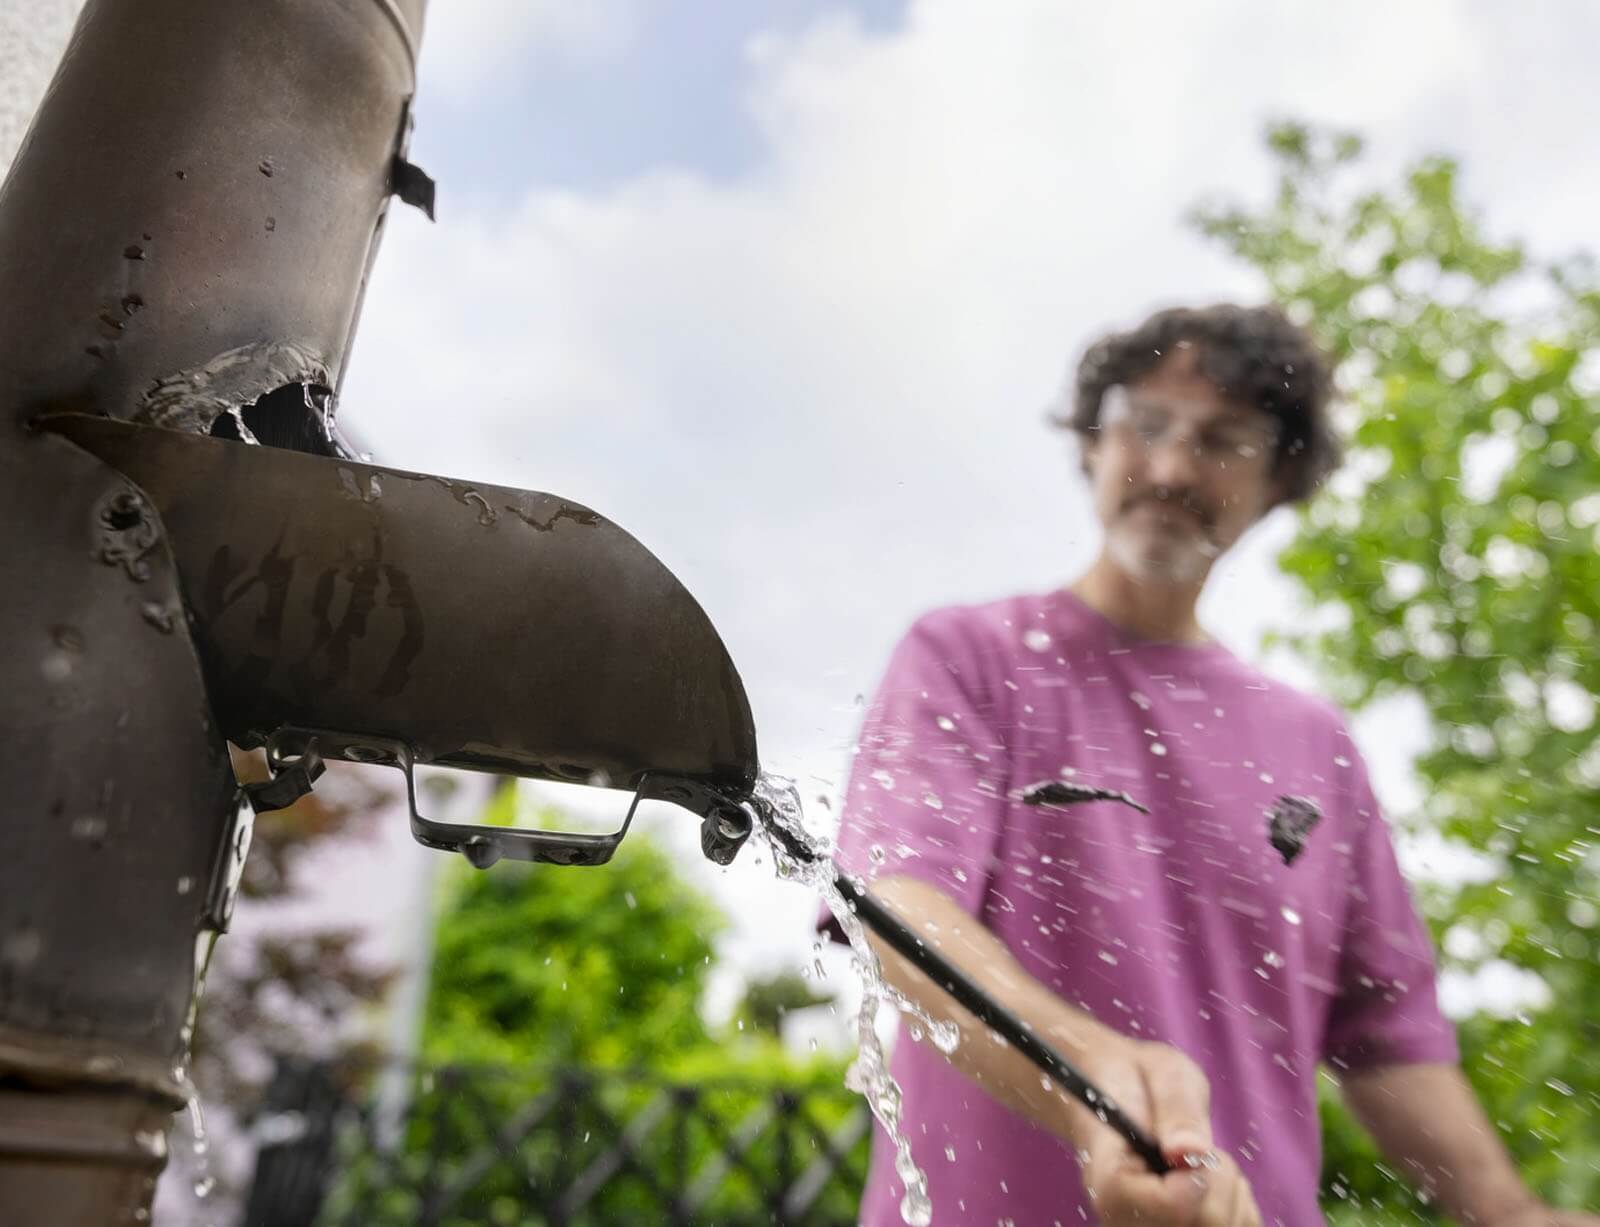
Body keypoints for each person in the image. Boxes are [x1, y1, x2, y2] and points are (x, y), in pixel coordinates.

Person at [826, 304, 1597, 1226]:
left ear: (1279, 481)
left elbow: (1388, 1039)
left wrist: (1511, 1212)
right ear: (1092, 443)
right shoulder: (969, 659)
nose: (1170, 468)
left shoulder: (1318, 746)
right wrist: (1090, 1075)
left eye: (1223, 440)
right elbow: (894, 908)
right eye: (1145, 424)